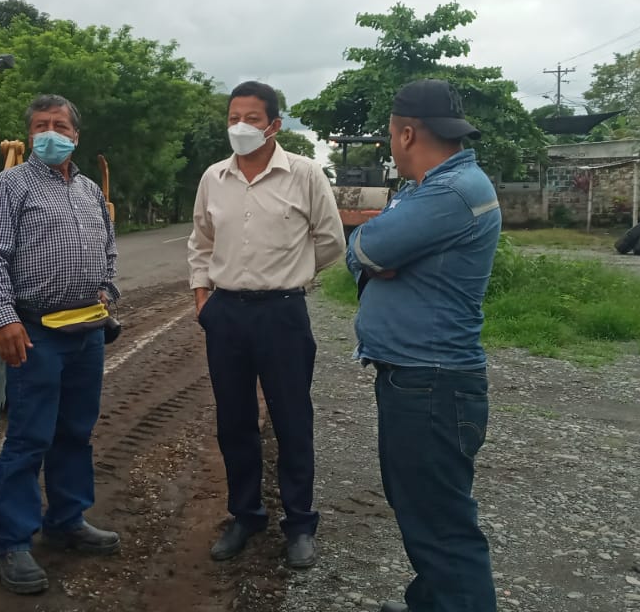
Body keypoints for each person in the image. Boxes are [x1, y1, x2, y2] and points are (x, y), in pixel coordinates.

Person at [346, 79, 502, 612]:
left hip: (431, 383)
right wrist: (374, 253)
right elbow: (371, 254)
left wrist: (371, 251)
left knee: (441, 525)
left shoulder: (451, 192)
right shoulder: (430, 188)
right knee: (422, 509)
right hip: (418, 378)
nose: (392, 144)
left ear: (407, 134)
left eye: (391, 135)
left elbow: (365, 248)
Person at [187, 80, 346, 569]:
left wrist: (292, 274)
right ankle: (245, 515)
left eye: (251, 118)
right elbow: (201, 242)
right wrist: (203, 299)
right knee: (234, 421)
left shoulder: (304, 173)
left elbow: (330, 240)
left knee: (292, 420)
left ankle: (299, 524)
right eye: (234, 117)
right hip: (226, 314)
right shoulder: (214, 177)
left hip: (282, 313)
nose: (240, 126)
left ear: (274, 124)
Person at [0, 93, 121, 595]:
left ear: (76, 136)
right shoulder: (10, 185)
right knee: (29, 438)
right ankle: (11, 543)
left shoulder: (88, 190)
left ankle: (67, 520)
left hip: (87, 332)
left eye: (59, 125)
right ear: (30, 134)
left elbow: (108, 247)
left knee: (75, 432)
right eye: (41, 126)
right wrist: (5, 318)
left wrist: (106, 290)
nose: (50, 133)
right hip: (35, 332)